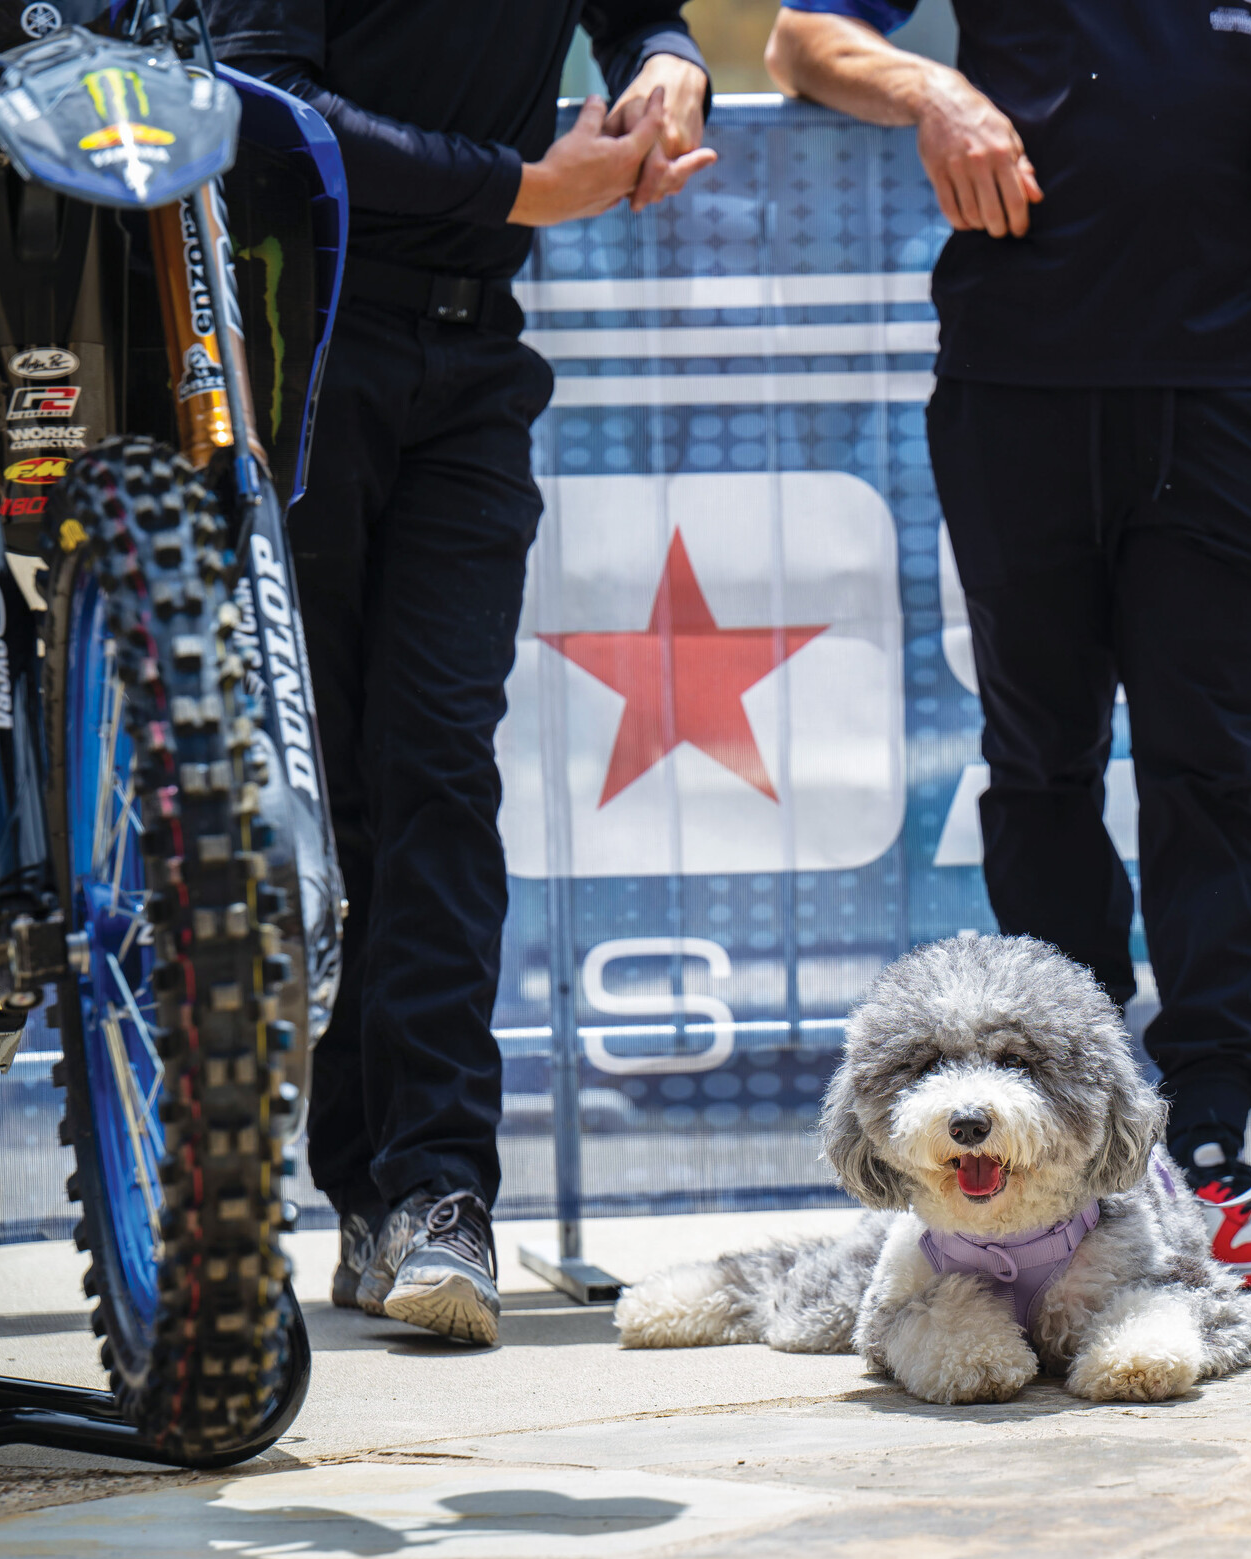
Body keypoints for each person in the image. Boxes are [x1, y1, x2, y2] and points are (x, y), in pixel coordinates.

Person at [764, 0, 1251, 1287]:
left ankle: (1215, 1154)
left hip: (1233, 384)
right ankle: (1080, 1160)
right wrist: (934, 90)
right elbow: (799, 42)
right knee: (1039, 764)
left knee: (1210, 768)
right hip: (1020, 381)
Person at [207, 0, 716, 1345]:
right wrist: (526, 187)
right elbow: (260, 101)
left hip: (478, 354)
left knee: (437, 764)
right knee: (318, 789)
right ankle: (344, 1188)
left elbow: (640, 15)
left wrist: (669, 66)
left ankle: (438, 1190)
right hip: (293, 344)